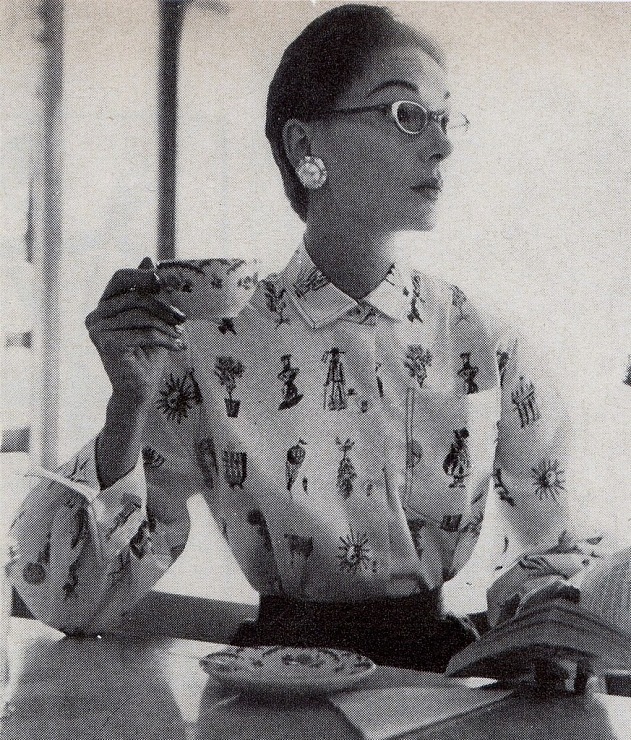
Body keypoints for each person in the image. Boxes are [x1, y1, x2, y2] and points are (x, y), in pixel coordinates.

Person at [8, 4, 607, 674]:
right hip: (267, 688)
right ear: (303, 146)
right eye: (406, 114)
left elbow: (556, 552)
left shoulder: (482, 339)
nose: (440, 144)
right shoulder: (214, 345)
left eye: (445, 119)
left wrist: (545, 625)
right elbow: (69, 602)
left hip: (434, 687)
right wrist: (127, 405)